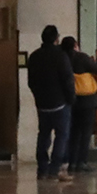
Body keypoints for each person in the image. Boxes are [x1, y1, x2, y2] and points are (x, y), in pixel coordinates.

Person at [25, 25, 75, 180]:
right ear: (56, 39)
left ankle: (42, 168)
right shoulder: (61, 56)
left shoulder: (34, 56)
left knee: (43, 135)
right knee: (61, 136)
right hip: (60, 103)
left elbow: (31, 82)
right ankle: (55, 169)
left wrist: (38, 97)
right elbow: (68, 80)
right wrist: (70, 99)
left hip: (42, 104)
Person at [64, 36, 97, 174]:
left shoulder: (63, 59)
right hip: (88, 100)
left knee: (74, 132)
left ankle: (71, 163)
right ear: (75, 45)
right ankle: (81, 162)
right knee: (85, 132)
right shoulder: (82, 57)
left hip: (71, 100)